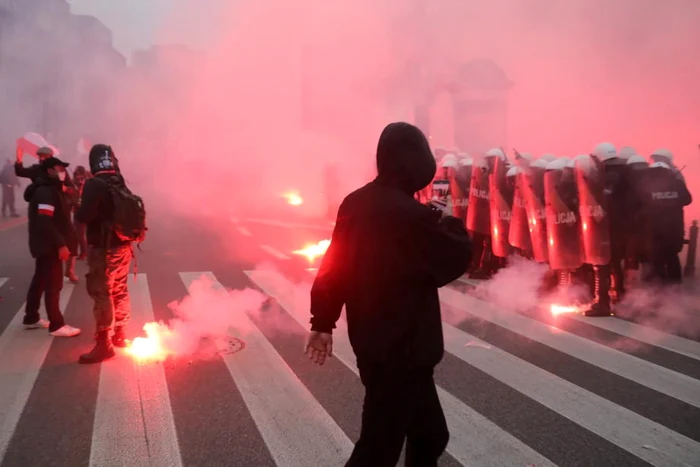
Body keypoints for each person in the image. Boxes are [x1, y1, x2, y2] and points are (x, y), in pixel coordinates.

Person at [304, 122, 472, 466]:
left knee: (429, 435)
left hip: (374, 342)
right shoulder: (411, 215)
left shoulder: (355, 202)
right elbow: (452, 257)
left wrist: (323, 320)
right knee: (378, 449)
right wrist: (452, 222)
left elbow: (334, 265)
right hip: (404, 348)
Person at [76, 144, 144, 364]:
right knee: (120, 288)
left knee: (102, 292)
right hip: (123, 248)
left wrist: (79, 201)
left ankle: (103, 343)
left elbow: (83, 216)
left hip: (104, 250)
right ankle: (120, 334)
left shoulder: (94, 184)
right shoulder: (118, 181)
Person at [22, 156, 81, 337]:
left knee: (39, 280)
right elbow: (44, 221)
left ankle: (31, 317)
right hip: (49, 246)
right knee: (53, 285)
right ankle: (57, 325)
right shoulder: (46, 191)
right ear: (49, 171)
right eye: (59, 168)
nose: (62, 172)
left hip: (45, 245)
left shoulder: (51, 189)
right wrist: (61, 244)